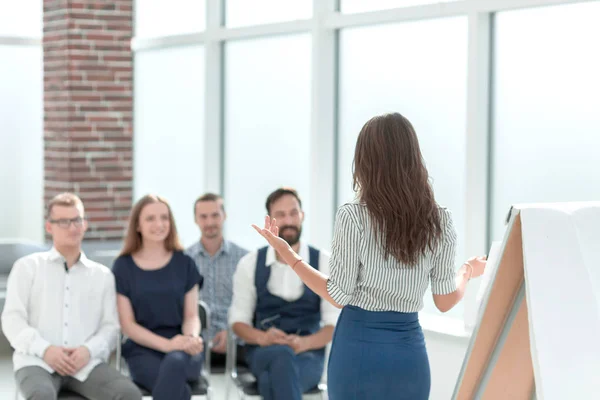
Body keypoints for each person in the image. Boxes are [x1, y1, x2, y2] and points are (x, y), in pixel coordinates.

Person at [252, 113, 487, 400]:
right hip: (408, 357)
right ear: (413, 157)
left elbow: (338, 293)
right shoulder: (439, 219)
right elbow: (445, 299)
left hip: (357, 351)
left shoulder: (353, 216)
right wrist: (467, 271)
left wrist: (287, 254)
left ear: (365, 161)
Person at [1, 192, 142, 400]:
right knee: (41, 396)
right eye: (64, 222)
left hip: (86, 364)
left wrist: (87, 350)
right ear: (50, 227)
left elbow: (110, 327)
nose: (73, 227)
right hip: (37, 361)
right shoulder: (27, 267)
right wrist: (46, 349)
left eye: (77, 220)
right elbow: (12, 320)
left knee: (128, 394)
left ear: (85, 224)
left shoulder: (102, 275)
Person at [229, 188, 340, 400]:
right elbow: (238, 322)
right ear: (269, 220)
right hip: (262, 351)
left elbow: (333, 325)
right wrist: (263, 338)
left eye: (293, 213)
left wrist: (303, 343)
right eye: (280, 215)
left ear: (302, 215)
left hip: (308, 353)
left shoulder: (324, 262)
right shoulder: (250, 264)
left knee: (271, 381)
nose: (288, 220)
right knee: (281, 356)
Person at [112, 194, 204, 400]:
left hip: (183, 345)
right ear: (137, 225)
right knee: (179, 390)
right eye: (150, 218)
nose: (159, 224)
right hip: (142, 349)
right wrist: (167, 345)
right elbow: (128, 325)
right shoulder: (123, 267)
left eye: (164, 218)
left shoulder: (185, 263)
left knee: (176, 363)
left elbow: (191, 315)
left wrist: (189, 339)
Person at [185, 193, 248, 367]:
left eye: (215, 215)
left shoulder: (244, 258)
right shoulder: (184, 260)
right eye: (203, 217)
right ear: (195, 220)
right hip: (196, 342)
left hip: (236, 341)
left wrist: (232, 334)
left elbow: (252, 305)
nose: (210, 222)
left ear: (224, 216)